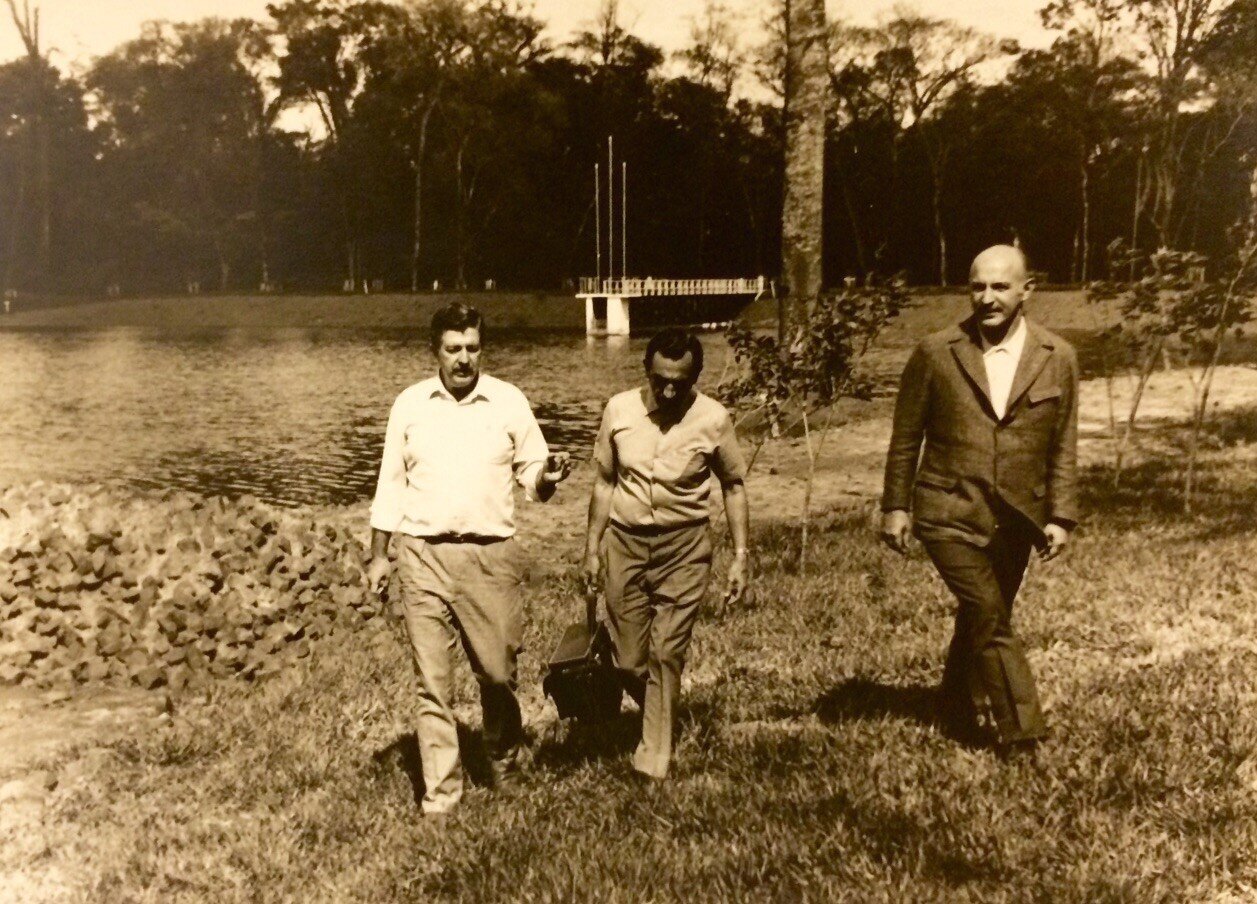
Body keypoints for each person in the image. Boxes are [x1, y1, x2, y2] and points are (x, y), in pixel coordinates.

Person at [367, 301, 572, 815]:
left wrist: (547, 477)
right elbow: (389, 484)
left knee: (498, 673)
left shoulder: (507, 401)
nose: (464, 359)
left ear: (482, 348)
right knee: (432, 683)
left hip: (490, 557)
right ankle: (442, 795)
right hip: (422, 556)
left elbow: (533, 477)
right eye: (454, 348)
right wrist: (378, 556)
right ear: (435, 349)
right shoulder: (409, 405)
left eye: (473, 348)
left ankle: (502, 755)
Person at [879, 244, 1079, 759]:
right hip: (948, 509)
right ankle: (1023, 732)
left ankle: (953, 702)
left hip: (1018, 516)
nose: (987, 298)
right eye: (977, 287)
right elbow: (906, 437)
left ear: (1026, 290)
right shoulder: (935, 351)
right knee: (990, 612)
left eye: (1000, 287)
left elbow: (1063, 441)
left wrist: (1060, 515)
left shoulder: (1059, 356)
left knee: (981, 615)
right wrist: (896, 505)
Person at [583, 328, 750, 780]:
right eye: (660, 380)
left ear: (695, 375)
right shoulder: (619, 410)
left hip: (685, 547)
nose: (670, 389)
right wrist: (592, 550)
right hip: (625, 544)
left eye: (681, 380)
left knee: (665, 651)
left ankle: (653, 757)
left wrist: (739, 555)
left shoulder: (713, 418)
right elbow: (604, 482)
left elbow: (733, 485)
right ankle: (661, 700)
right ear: (646, 372)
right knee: (629, 660)